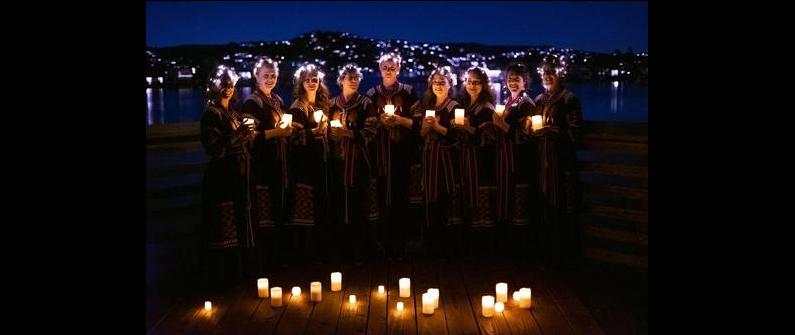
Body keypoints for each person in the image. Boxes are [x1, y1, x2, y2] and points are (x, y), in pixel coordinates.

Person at [199, 66, 256, 290]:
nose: (228, 88)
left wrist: (248, 135)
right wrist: (239, 135)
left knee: (239, 221)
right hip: (222, 178)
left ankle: (241, 271)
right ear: (213, 85)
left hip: (239, 177)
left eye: (231, 83)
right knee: (224, 225)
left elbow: (242, 140)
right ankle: (223, 277)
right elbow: (215, 149)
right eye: (223, 83)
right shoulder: (211, 115)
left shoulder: (233, 112)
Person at [365, 52, 419, 259]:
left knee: (401, 196)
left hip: (402, 153)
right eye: (385, 67)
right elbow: (368, 122)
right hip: (379, 154)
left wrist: (398, 120)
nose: (388, 71)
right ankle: (382, 243)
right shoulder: (371, 93)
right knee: (379, 197)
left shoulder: (408, 91)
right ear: (380, 70)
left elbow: (416, 121)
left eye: (392, 67)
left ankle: (400, 244)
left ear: (398, 69)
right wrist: (380, 122)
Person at [242, 57, 293, 270]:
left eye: (273, 75)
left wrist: (290, 128)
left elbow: (282, 126)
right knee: (264, 216)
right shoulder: (251, 103)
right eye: (266, 75)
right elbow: (248, 137)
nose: (270, 79)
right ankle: (263, 264)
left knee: (279, 211)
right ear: (257, 77)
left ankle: (279, 259)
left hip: (280, 166)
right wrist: (277, 133)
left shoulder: (278, 101)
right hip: (262, 168)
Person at [531, 60, 583, 268]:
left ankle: (564, 255)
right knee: (544, 204)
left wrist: (556, 131)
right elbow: (533, 127)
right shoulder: (539, 99)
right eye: (544, 73)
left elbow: (576, 132)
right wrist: (530, 128)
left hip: (561, 163)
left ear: (561, 75)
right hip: (542, 162)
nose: (547, 76)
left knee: (564, 206)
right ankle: (545, 251)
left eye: (551, 73)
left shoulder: (569, 99)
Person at [327, 63, 378, 264]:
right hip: (337, 164)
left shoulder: (365, 103)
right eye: (350, 78)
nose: (354, 81)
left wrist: (347, 133)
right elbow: (325, 131)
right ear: (341, 80)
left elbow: (371, 132)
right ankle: (341, 251)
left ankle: (361, 253)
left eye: (357, 78)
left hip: (359, 165)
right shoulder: (332, 104)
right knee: (339, 206)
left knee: (359, 207)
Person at [410, 66, 462, 259]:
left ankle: (445, 245)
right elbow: (419, 134)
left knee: (445, 197)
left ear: (450, 85)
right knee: (428, 198)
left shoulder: (454, 106)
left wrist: (437, 126)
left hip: (446, 160)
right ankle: (429, 242)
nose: (438, 85)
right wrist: (424, 129)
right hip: (428, 157)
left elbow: (455, 135)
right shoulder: (425, 105)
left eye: (442, 82)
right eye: (435, 82)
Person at [286, 63, 330, 264]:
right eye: (307, 80)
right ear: (301, 83)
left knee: (320, 205)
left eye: (315, 79)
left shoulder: (320, 105)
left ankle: (320, 250)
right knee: (305, 207)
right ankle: (305, 255)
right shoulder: (297, 107)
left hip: (320, 163)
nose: (312, 83)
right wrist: (313, 133)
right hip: (304, 166)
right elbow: (293, 138)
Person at [455, 66, 499, 256]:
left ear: (484, 85)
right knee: (467, 201)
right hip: (465, 162)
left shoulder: (487, 108)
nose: (472, 85)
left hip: (481, 164)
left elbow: (488, 138)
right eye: (469, 81)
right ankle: (468, 246)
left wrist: (468, 128)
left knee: (482, 203)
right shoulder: (464, 106)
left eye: (476, 82)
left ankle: (484, 249)